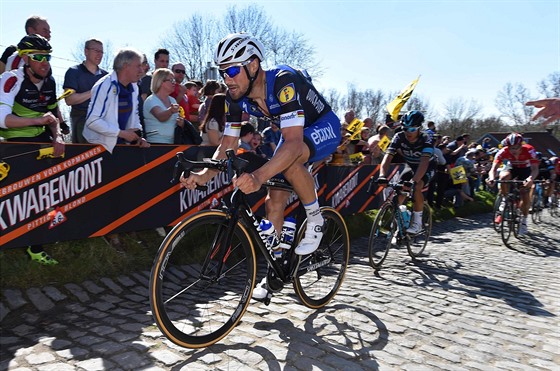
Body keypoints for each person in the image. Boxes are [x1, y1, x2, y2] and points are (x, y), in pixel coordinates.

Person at [180, 32, 341, 302]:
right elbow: (228, 144)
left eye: (232, 70)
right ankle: (275, 272)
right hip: (295, 135)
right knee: (272, 201)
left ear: (253, 65)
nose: (227, 79)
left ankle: (315, 219)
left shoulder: (282, 83)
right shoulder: (234, 97)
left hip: (323, 127)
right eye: (222, 72)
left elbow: (292, 144)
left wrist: (257, 176)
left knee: (289, 164)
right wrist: (206, 174)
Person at [0, 34, 65, 265]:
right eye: (38, 57)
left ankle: (36, 246)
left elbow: (54, 115)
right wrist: (38, 121)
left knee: (45, 191)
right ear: (26, 60)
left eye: (47, 56)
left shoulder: (50, 81)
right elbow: (2, 119)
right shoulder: (11, 79)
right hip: (15, 139)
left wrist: (58, 135)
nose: (44, 62)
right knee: (16, 194)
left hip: (42, 138)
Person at [377, 110, 435, 234]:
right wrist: (382, 175)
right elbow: (388, 157)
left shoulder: (426, 138)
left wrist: (413, 181)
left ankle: (417, 223)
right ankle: (401, 224)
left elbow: (424, 162)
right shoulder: (399, 137)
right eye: (405, 128)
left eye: (412, 129)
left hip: (427, 167)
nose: (408, 132)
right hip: (411, 165)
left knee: (417, 187)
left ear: (419, 128)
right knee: (398, 195)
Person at [84, 48, 150, 153]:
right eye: (138, 66)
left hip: (122, 147)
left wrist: (137, 137)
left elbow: (134, 115)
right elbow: (92, 121)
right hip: (97, 148)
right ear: (125, 66)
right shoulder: (104, 85)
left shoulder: (134, 86)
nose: (142, 70)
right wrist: (121, 133)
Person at [486, 133, 539, 235]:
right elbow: (493, 168)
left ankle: (524, 220)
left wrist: (530, 178)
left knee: (524, 193)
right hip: (512, 168)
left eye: (515, 148)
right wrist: (492, 178)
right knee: (503, 177)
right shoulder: (503, 151)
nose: (513, 151)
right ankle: (505, 199)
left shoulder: (529, 150)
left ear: (521, 145)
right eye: (510, 148)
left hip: (526, 170)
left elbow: (535, 169)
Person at [63, 39, 108, 143]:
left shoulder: (106, 76)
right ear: (86, 52)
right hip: (82, 120)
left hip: (103, 121)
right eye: (96, 50)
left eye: (101, 52)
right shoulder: (73, 72)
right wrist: (94, 91)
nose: (99, 54)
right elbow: (69, 100)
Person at [143, 68, 182, 144]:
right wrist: (171, 111)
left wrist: (181, 122)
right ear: (161, 82)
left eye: (174, 80)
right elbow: (161, 117)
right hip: (156, 144)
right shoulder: (151, 100)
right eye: (171, 80)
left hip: (173, 143)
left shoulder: (173, 100)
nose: (174, 83)